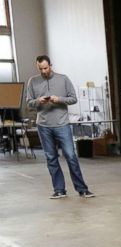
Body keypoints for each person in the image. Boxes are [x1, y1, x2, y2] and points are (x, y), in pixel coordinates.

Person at [25, 55, 94, 199]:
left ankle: (82, 189)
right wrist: (38, 101)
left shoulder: (63, 79)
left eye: (45, 68)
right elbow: (28, 102)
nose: (43, 71)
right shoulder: (33, 81)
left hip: (62, 124)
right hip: (43, 125)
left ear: (51, 65)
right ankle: (59, 190)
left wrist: (59, 99)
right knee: (51, 158)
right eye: (40, 69)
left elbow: (73, 98)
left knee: (70, 155)